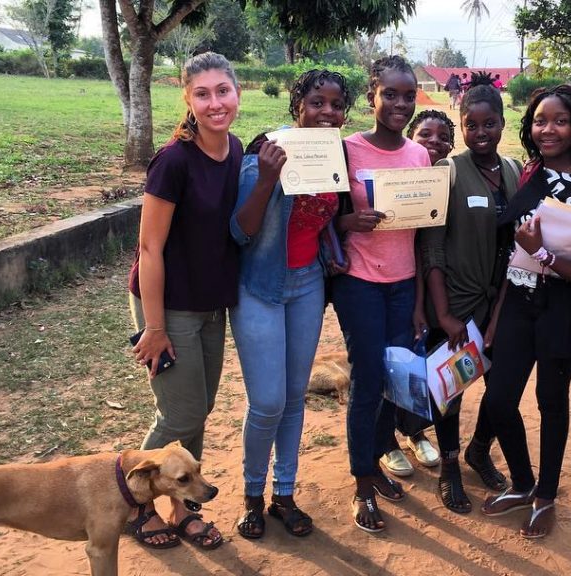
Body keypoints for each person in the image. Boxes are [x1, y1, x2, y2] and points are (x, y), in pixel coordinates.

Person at [229, 69, 353, 540]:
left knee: (294, 398)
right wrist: (266, 179)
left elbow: (326, 221)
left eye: (336, 104)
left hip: (306, 285)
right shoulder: (266, 152)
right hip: (259, 286)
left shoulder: (333, 157)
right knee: (267, 401)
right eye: (316, 103)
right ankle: (251, 496)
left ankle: (284, 495)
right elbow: (240, 232)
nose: (327, 113)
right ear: (297, 106)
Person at [126, 52, 241, 551]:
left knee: (198, 411)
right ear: (187, 98)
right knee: (180, 415)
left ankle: (182, 507)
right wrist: (154, 328)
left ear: (237, 93)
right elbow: (149, 248)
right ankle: (134, 505)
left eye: (222, 91)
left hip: (209, 306)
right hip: (165, 307)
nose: (214, 103)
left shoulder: (235, 151)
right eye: (202, 93)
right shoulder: (173, 161)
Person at [478, 84, 571, 539]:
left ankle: (545, 495)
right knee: (498, 399)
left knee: (551, 402)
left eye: (559, 121)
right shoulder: (532, 173)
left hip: (563, 310)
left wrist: (543, 255)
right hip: (518, 302)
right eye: (539, 120)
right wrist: (496, 315)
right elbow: (512, 254)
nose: (547, 129)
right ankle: (523, 481)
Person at [330, 55, 431, 533]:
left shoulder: (419, 155)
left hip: (403, 283)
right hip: (360, 283)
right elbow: (319, 213)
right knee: (368, 381)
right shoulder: (347, 150)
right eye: (390, 94)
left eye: (408, 95)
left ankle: (376, 457)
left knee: (396, 380)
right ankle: (363, 484)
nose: (400, 103)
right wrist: (347, 222)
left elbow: (424, 232)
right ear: (372, 95)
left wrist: (416, 303)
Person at [418, 73, 524, 514]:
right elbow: (432, 245)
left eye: (489, 124)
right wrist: (443, 314)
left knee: (502, 390)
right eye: (471, 125)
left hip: (504, 302)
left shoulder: (515, 171)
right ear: (463, 126)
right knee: (451, 390)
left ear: (503, 124)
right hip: (458, 305)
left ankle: (479, 450)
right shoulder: (449, 172)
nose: (481, 133)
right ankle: (449, 467)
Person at [378, 109, 457, 479]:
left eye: (443, 137)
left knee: (417, 366)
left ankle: (413, 429)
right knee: (388, 361)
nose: (434, 143)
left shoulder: (447, 182)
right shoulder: (396, 177)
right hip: (389, 283)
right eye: (425, 135)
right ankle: (386, 442)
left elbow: (430, 247)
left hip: (426, 287)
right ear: (411, 138)